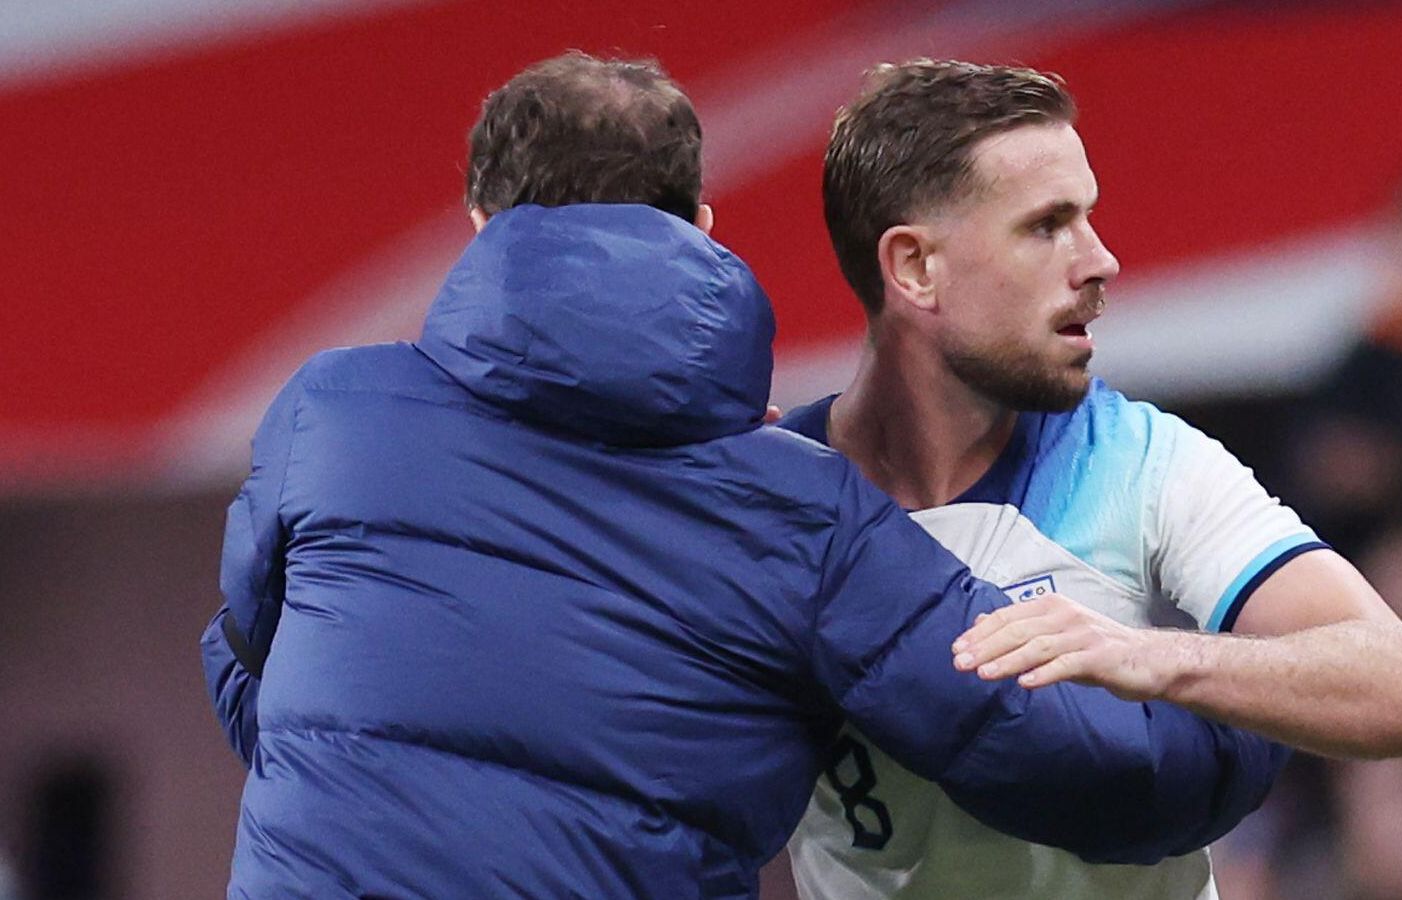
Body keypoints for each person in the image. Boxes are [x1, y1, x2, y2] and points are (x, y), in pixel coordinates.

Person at [198, 52, 1288, 899]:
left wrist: (366, 773)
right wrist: (1250, 712)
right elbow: (1085, 775)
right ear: (704, 229)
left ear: (482, 228)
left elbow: (246, 665)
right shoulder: (802, 508)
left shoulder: (328, 410)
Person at [780, 59, 1402, 899]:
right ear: (916, 267)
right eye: (1046, 226)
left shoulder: (1133, 458)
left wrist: (1141, 657)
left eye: (1089, 218)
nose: (1100, 261)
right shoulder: (774, 499)